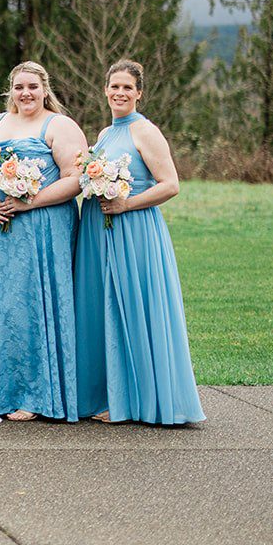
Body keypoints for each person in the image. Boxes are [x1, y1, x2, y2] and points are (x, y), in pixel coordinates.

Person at [74, 59, 205, 426]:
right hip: (99, 231)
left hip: (134, 231)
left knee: (133, 306)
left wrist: (125, 203)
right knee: (105, 308)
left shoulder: (145, 132)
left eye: (127, 88)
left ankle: (139, 400)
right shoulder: (103, 135)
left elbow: (170, 184)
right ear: (105, 90)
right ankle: (112, 396)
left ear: (139, 93)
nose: (120, 93)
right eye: (114, 86)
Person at [0, 60, 87, 422]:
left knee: (28, 305)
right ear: (11, 89)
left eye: (33, 87)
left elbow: (76, 177)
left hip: (40, 229)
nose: (25, 93)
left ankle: (33, 393)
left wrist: (30, 201)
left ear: (45, 89)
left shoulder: (59, 125)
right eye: (19, 87)